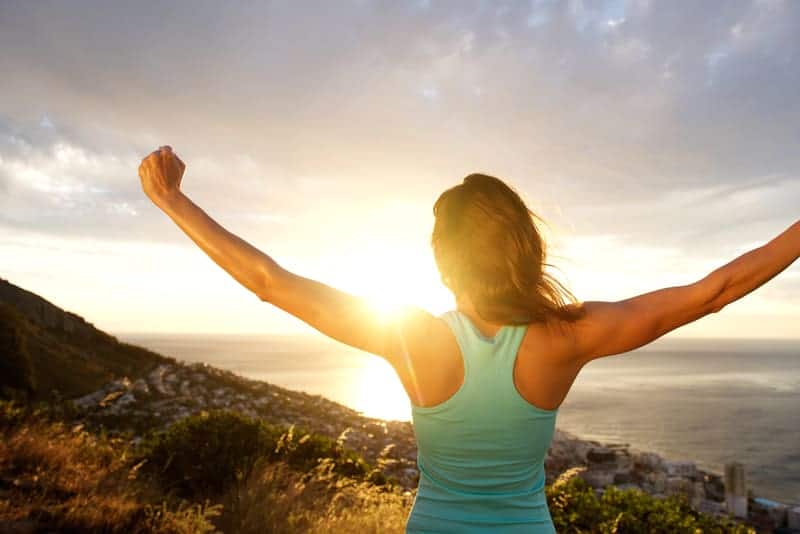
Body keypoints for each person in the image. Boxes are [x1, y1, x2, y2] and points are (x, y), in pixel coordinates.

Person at [139, 145, 799, 533]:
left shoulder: (412, 338)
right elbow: (714, 290)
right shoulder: (566, 337)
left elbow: (269, 282)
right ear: (525, 248)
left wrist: (172, 202)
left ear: (443, 258)